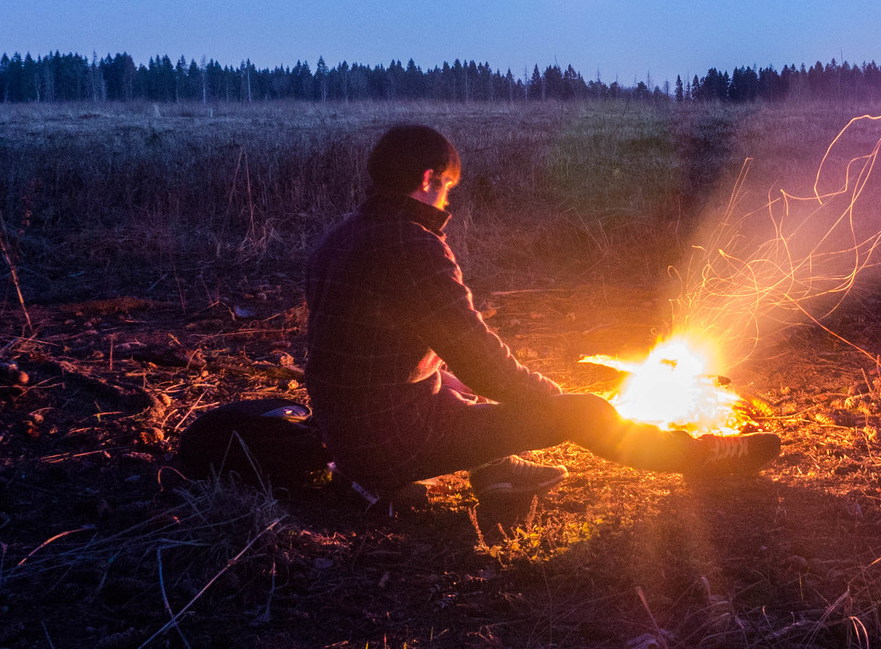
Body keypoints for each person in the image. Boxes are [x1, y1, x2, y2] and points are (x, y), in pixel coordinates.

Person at [304, 124, 780, 505]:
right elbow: (485, 365)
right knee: (585, 412)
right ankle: (705, 455)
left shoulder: (341, 235)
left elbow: (365, 346)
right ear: (428, 179)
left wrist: (443, 377)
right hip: (390, 437)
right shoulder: (413, 246)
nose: (448, 200)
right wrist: (555, 401)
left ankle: (498, 473)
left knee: (457, 385)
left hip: (346, 429)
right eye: (448, 187)